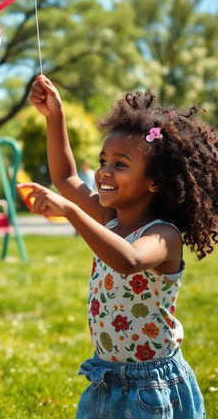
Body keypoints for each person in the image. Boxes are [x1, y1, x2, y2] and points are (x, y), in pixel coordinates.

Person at [21, 74, 217, 418]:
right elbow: (66, 178)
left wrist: (72, 212)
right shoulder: (109, 217)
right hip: (106, 377)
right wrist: (55, 116)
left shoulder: (163, 236)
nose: (103, 172)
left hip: (151, 387)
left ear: (154, 181)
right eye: (102, 161)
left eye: (120, 165)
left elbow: (128, 260)